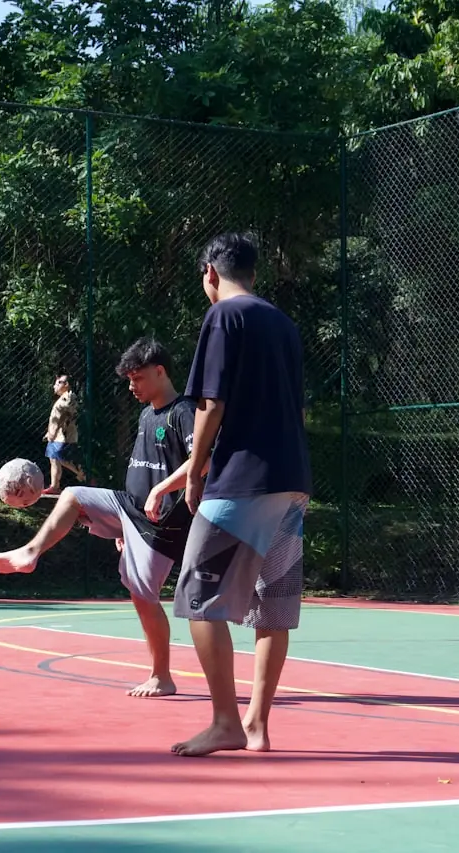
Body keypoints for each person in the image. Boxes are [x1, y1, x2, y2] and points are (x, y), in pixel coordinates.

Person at [0, 338, 201, 698]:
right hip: (132, 509)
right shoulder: (148, 413)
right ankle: (30, 553)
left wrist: (160, 491)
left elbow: (203, 461)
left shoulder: (183, 412)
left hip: (161, 520)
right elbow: (142, 470)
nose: (132, 386)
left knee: (143, 595)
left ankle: (162, 676)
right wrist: (122, 526)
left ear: (160, 372)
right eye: (128, 379)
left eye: (138, 378)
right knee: (71, 495)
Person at [169, 231, 312, 758]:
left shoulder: (223, 317)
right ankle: (257, 724)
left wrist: (194, 469)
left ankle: (225, 722)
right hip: (291, 481)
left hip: (242, 482)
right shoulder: (284, 324)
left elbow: (211, 402)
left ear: (211, 272)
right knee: (272, 608)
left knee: (198, 600)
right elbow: (297, 409)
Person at [44, 374, 86, 493]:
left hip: (63, 436)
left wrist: (55, 431)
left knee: (61, 458)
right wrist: (50, 432)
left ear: (66, 385)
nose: (54, 386)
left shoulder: (68, 397)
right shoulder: (62, 398)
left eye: (58, 383)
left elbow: (66, 416)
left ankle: (82, 474)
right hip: (55, 435)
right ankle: (54, 486)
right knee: (54, 459)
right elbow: (56, 418)